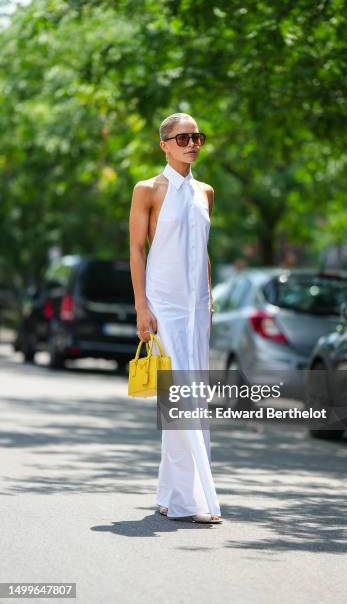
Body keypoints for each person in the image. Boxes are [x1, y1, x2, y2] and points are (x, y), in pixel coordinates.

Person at [129, 112, 222, 524]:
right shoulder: (147, 190)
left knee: (190, 394)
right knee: (180, 395)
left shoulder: (206, 191)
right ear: (164, 144)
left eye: (197, 136)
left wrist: (209, 297)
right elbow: (137, 249)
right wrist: (141, 307)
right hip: (163, 304)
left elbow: (202, 248)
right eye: (182, 137)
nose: (192, 143)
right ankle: (193, 501)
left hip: (196, 305)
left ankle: (170, 494)